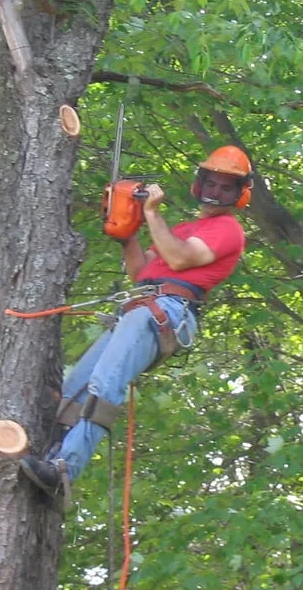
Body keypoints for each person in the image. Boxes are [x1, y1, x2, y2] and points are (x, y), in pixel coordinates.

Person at [18, 145, 253, 500]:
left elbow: (177, 259)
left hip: (168, 310)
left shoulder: (227, 229)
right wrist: (127, 231)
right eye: (211, 183)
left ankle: (65, 469)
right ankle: (49, 457)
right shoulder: (189, 227)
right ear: (199, 183)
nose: (216, 192)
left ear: (239, 194)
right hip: (143, 306)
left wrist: (152, 213)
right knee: (76, 387)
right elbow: (141, 271)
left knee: (105, 382)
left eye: (226, 187)